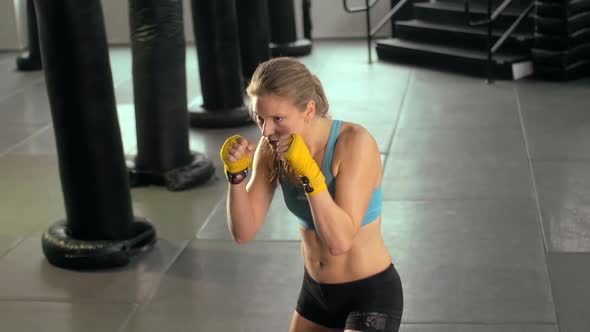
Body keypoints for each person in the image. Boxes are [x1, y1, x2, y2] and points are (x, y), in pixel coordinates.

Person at [219, 57, 403, 332]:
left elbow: (339, 241)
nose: (266, 130)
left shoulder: (354, 143)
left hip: (369, 293)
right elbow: (243, 233)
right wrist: (236, 178)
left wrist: (308, 171)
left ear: (309, 109)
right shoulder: (271, 149)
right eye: (259, 118)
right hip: (317, 294)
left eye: (278, 118)